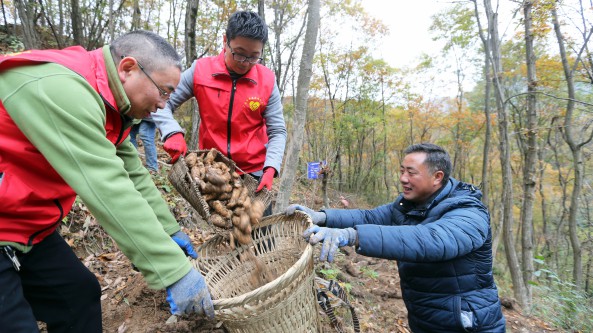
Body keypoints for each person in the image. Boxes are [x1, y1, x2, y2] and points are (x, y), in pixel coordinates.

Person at [0, 30, 214, 332]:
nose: (164, 105)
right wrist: (174, 272)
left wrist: (169, 229)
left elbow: (131, 174)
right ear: (128, 69)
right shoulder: (62, 90)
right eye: (163, 91)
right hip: (6, 224)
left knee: (78, 296)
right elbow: (106, 185)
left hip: (28, 226)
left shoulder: (110, 104)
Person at [286, 143, 506, 333]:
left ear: (437, 177)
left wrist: (352, 235)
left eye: (411, 173)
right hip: (426, 318)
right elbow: (369, 216)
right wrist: (323, 217)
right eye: (402, 171)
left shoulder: (468, 211)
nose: (403, 178)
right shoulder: (409, 205)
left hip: (466, 323)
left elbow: (430, 240)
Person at [152, 10, 287, 195]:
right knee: (218, 221)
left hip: (253, 171)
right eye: (239, 54)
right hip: (212, 167)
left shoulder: (267, 81)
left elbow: (277, 130)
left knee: (256, 223)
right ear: (225, 41)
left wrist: (271, 167)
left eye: (254, 56)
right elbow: (161, 99)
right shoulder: (201, 71)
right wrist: (172, 132)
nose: (245, 62)